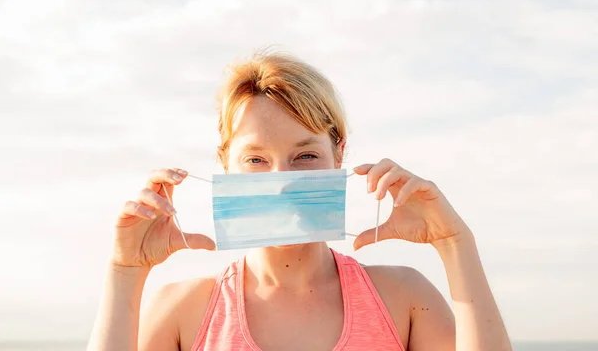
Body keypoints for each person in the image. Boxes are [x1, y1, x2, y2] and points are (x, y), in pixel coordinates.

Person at [87, 51, 512, 351]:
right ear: (225, 164)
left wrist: (455, 243)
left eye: (305, 156)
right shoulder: (181, 311)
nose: (282, 181)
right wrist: (125, 271)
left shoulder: (403, 299)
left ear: (338, 155)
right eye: (255, 159)